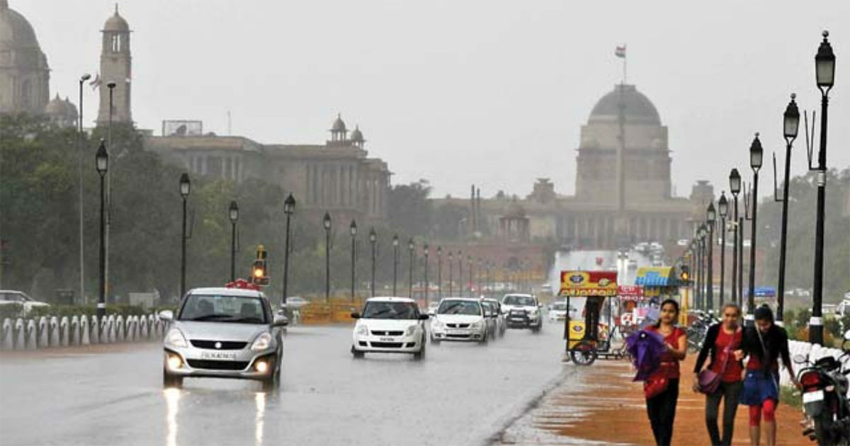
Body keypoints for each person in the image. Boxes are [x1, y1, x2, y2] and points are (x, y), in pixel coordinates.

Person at [738, 305, 800, 446]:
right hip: (752, 375)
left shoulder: (779, 333)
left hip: (770, 375)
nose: (762, 327)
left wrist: (793, 376)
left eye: (765, 324)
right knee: (754, 414)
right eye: (759, 324)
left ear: (771, 321)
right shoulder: (749, 333)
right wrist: (741, 365)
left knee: (768, 409)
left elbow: (785, 356)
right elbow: (743, 353)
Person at [693, 303, 744, 446]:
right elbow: (705, 350)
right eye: (727, 315)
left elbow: (750, 350)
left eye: (734, 315)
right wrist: (696, 372)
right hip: (714, 378)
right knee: (710, 416)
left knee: (728, 420)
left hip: (734, 380)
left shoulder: (744, 333)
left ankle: (726, 444)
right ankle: (716, 443)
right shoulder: (714, 330)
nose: (730, 319)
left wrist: (744, 355)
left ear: (738, 317)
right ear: (722, 315)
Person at [644, 299, 688, 446]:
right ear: (660, 312)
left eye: (671, 311)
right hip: (652, 377)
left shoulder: (679, 333)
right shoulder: (650, 331)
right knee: (653, 417)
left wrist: (670, 350)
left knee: (667, 417)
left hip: (671, 378)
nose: (667, 314)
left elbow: (682, 354)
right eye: (665, 310)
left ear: (676, 314)